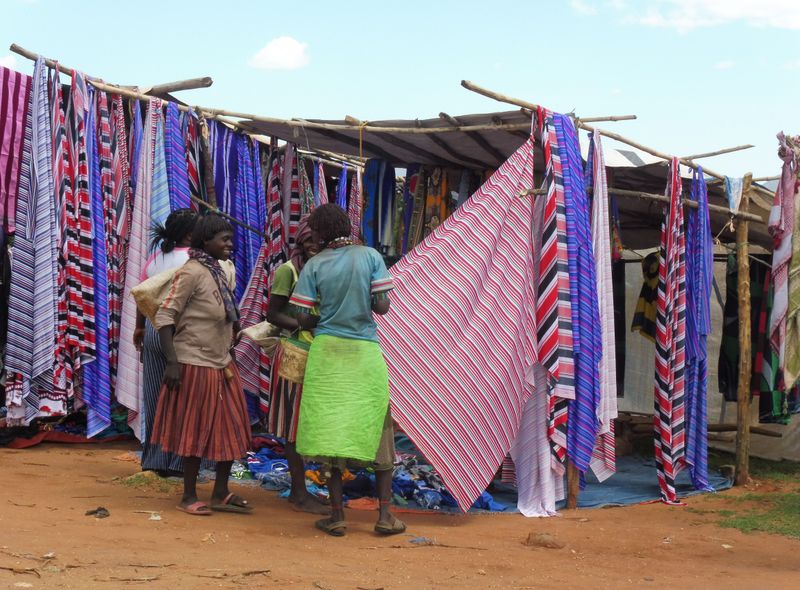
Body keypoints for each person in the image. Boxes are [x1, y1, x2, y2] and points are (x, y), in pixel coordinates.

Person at [290, 203, 405, 537]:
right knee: (379, 432)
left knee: (331, 433)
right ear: (347, 227)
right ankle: (385, 517)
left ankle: (336, 515)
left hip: (328, 356)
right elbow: (382, 307)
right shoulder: (369, 256)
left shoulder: (313, 265)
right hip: (364, 353)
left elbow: (303, 318)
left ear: (320, 233)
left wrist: (327, 312)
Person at [151, 213, 251, 516]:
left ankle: (220, 492)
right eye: (225, 239)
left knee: (229, 428)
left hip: (221, 362)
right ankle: (188, 495)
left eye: (231, 239)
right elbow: (165, 317)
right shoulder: (192, 272)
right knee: (194, 431)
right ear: (206, 241)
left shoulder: (217, 271)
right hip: (194, 361)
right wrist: (172, 362)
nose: (230, 245)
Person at [266, 215, 329, 515]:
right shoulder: (288, 271)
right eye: (308, 240)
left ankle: (310, 487)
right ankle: (299, 491)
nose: (313, 245)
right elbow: (273, 314)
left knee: (313, 422)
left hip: (320, 354)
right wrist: (305, 324)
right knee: (291, 424)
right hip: (294, 354)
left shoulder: (326, 270)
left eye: (318, 239)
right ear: (300, 243)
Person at [134, 208, 200, 476]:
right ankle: (179, 462)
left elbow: (142, 295)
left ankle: (154, 459)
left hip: (151, 328)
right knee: (183, 397)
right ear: (189, 234)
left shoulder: (155, 258)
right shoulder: (194, 261)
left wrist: (139, 329)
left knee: (154, 396)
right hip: (180, 331)